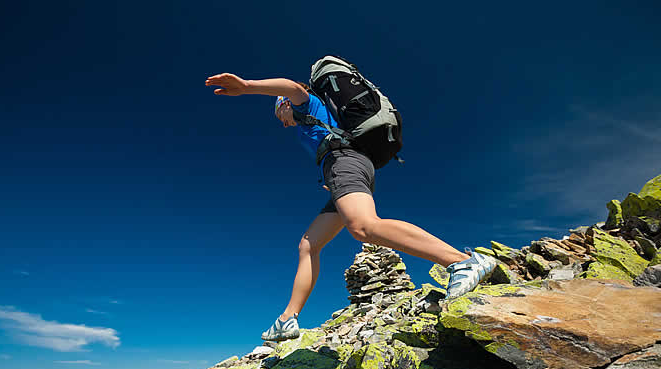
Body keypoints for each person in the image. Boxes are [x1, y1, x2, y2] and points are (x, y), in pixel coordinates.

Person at [205, 72, 496, 342]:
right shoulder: (311, 123)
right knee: (308, 245)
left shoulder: (306, 105)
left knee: (363, 226)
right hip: (342, 170)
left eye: (278, 111)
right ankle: (287, 319)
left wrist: (247, 87)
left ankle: (462, 261)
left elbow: (292, 87)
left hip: (345, 163)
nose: (280, 119)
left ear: (282, 103)